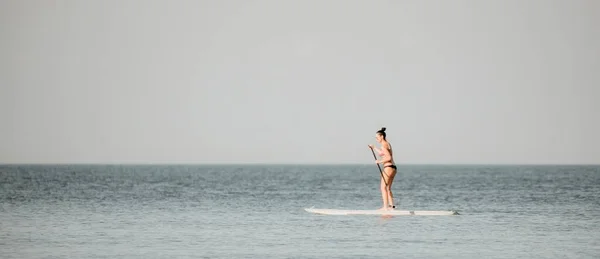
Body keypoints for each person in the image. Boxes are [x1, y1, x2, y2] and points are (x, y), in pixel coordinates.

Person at [368, 127, 397, 210]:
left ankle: (385, 207)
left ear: (381, 136)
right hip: (393, 168)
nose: (376, 139)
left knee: (383, 187)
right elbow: (382, 153)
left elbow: (388, 157)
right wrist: (374, 148)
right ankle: (392, 207)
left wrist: (379, 162)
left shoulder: (383, 146)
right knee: (388, 188)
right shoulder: (387, 144)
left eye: (377, 137)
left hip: (388, 167)